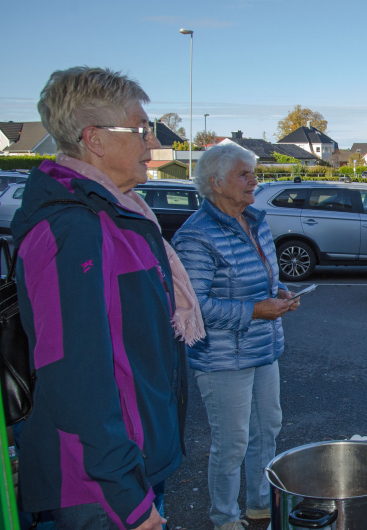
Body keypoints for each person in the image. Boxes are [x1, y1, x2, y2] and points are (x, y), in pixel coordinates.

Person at [11, 67, 196, 529]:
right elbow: (75, 378)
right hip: (101, 487)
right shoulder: (72, 229)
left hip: (133, 467)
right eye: (140, 129)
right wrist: (126, 497)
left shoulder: (122, 216)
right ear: (94, 139)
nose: (152, 142)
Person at [172, 143, 298, 530]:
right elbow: (193, 307)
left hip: (263, 349)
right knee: (231, 443)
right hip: (223, 359)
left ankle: (260, 504)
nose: (253, 181)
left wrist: (279, 294)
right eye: (244, 174)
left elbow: (263, 280)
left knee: (267, 430)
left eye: (253, 173)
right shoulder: (196, 236)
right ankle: (224, 518)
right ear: (215, 182)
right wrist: (255, 310)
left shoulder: (256, 221)